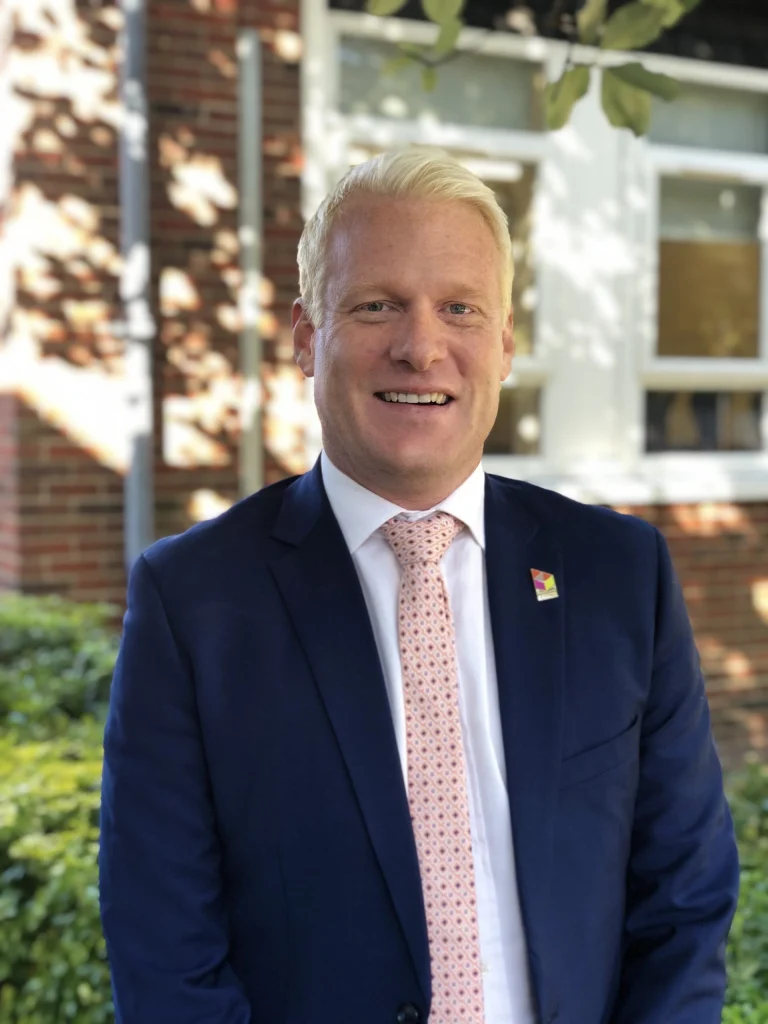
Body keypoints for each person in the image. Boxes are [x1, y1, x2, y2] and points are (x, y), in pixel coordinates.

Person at [98, 147, 739, 1024]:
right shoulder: (193, 604)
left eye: (460, 309)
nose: (420, 346)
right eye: (376, 306)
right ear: (304, 338)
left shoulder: (619, 575)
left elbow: (685, 902)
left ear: (506, 344)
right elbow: (165, 951)